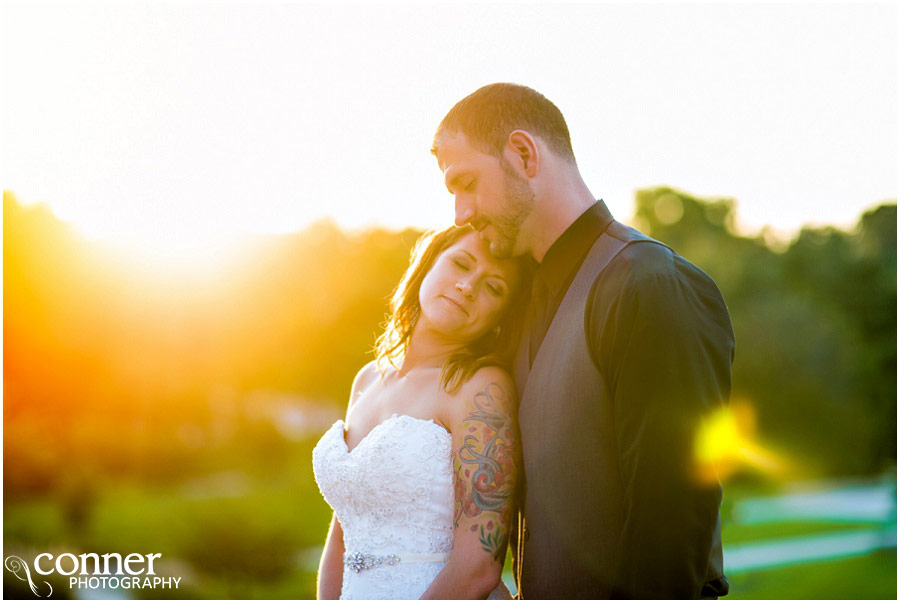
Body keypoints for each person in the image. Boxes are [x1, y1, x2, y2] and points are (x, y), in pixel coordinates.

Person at [432, 83, 735, 599]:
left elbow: (670, 535)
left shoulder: (649, 285)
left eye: (467, 183)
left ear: (524, 154)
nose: (461, 213)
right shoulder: (518, 304)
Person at [312, 224, 533, 599]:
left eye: (493, 288)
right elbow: (344, 532)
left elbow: (478, 567)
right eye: (461, 264)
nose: (467, 286)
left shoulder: (479, 388)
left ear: (502, 316)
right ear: (428, 264)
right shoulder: (367, 379)